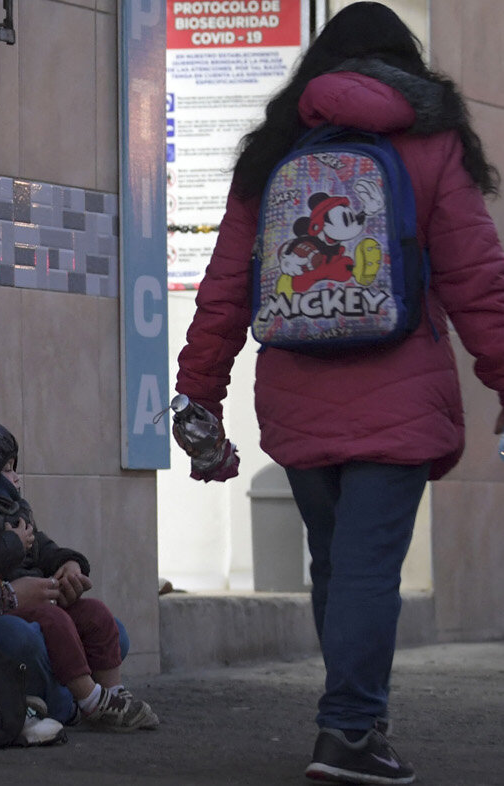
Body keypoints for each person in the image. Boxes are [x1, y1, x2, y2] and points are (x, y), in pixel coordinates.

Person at [175, 4, 504, 782]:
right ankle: (351, 731)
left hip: (296, 389)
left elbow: (226, 287)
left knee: (335, 564)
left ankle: (357, 722)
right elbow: (477, 281)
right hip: (401, 393)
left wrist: (200, 392)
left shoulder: (278, 147)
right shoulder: (431, 141)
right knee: (365, 570)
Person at [0, 409, 158, 732]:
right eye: (6, 470)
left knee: (98, 618)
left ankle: (114, 695)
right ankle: (88, 700)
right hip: (0, 616)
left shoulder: (14, 509)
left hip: (41, 603)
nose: (17, 478)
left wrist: (68, 564)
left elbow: (43, 547)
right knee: (51, 624)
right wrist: (11, 543)